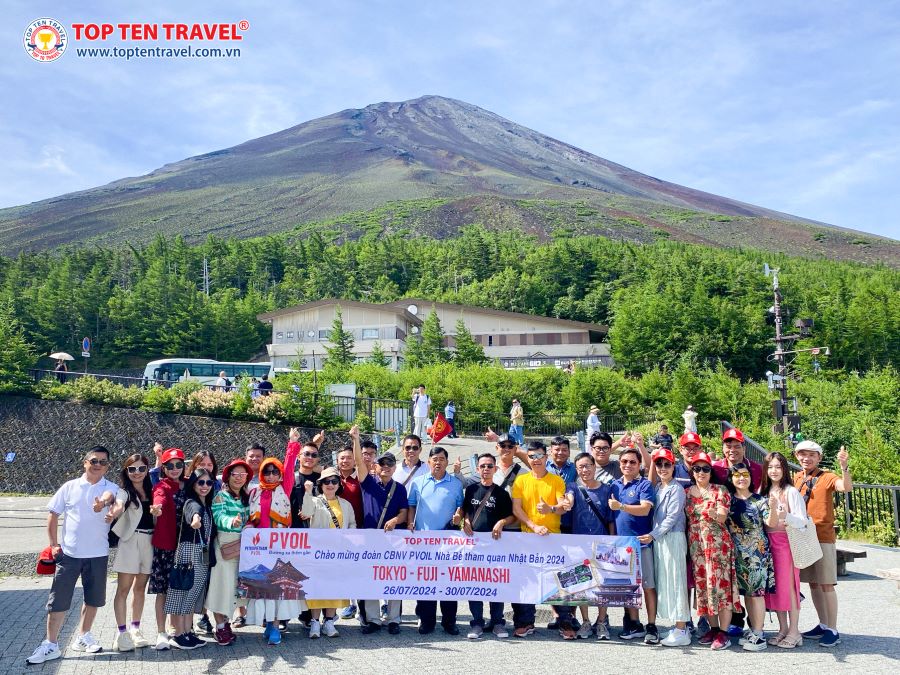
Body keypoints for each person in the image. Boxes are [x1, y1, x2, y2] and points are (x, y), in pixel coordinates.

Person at [27, 446, 117, 665]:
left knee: (93, 599)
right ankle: (51, 644)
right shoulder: (69, 487)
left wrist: (108, 506)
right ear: (84, 462)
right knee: (58, 600)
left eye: (103, 462)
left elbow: (116, 502)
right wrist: (53, 544)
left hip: (98, 554)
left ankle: (83, 636)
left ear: (108, 466)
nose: (98, 465)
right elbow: (53, 515)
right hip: (70, 554)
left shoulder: (112, 488)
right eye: (94, 461)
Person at [510, 440, 573, 639]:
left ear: (546, 457)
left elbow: (562, 505)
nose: (535, 460)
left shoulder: (556, 480)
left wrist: (551, 509)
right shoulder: (521, 480)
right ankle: (525, 622)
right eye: (531, 457)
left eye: (539, 456)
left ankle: (565, 622)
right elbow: (516, 509)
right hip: (528, 538)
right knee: (526, 582)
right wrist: (534, 525)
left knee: (558, 581)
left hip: (553, 538)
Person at [349, 426, 409, 635]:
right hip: (370, 540)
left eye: (389, 464)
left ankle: (393, 619)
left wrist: (395, 520)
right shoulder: (368, 482)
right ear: (376, 465)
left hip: (393, 540)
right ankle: (373, 619)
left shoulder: (400, 488)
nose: (385, 467)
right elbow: (358, 462)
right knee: (370, 579)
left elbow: (404, 512)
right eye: (382, 463)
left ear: (394, 468)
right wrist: (356, 440)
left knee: (394, 579)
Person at [794, 440, 852, 648]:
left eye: (811, 455)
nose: (806, 458)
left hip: (823, 536)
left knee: (827, 584)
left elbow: (845, 487)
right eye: (802, 454)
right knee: (814, 583)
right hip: (803, 536)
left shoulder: (827, 477)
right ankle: (823, 623)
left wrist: (844, 468)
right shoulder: (797, 478)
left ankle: (833, 629)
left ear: (819, 457)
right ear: (797, 457)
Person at [246, 433, 303, 645]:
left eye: (274, 472)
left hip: (279, 546)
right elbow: (250, 517)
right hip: (259, 547)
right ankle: (268, 622)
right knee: (263, 587)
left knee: (278, 586)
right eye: (266, 472)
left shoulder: (283, 489)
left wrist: (292, 444)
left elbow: (289, 467)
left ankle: (276, 624)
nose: (270, 476)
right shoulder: (254, 492)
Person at [685, 451, 742, 651]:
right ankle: (714, 627)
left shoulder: (720, 490)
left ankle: (724, 633)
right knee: (704, 588)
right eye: (697, 468)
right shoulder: (686, 492)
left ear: (711, 471)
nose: (701, 472)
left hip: (718, 548)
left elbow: (723, 516)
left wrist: (715, 514)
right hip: (697, 548)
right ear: (692, 471)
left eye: (705, 469)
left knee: (721, 588)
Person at [459, 453, 517, 640]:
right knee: (474, 584)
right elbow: (466, 510)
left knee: (495, 584)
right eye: (482, 466)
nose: (486, 469)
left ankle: (497, 622)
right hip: (473, 546)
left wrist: (501, 522)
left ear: (495, 469)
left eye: (489, 466)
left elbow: (512, 516)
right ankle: (476, 623)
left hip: (495, 546)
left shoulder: (501, 493)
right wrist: (466, 521)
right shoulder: (470, 489)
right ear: (477, 469)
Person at [407, 446, 464, 635]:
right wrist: (410, 523)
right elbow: (412, 506)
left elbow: (460, 508)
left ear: (447, 462)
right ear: (429, 462)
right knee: (425, 585)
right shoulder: (418, 482)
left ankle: (449, 622)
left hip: (448, 543)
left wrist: (459, 516)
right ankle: (427, 621)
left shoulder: (455, 484)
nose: (438, 462)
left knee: (448, 584)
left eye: (441, 459)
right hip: (424, 543)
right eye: (434, 459)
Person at [640, 448, 691, 647]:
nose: (662, 468)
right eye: (659, 464)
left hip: (673, 538)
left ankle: (681, 628)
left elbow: (671, 518)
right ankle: (678, 625)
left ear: (673, 466)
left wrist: (652, 535)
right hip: (661, 540)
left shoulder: (676, 489)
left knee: (676, 581)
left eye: (667, 464)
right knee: (667, 581)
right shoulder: (659, 487)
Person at [561, 452, 614, 639]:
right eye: (581, 467)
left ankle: (601, 622)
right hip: (578, 543)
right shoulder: (572, 487)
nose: (585, 470)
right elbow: (569, 500)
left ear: (594, 466)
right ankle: (585, 621)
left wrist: (613, 541)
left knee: (602, 585)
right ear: (577, 470)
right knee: (581, 584)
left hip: (601, 543)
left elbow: (610, 519)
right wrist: (565, 503)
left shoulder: (607, 489)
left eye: (588, 465)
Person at [300, 467, 358, 638]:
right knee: (316, 587)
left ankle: (330, 621)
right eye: (326, 482)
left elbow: (352, 524)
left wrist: (349, 538)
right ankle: (315, 623)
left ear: (339, 484)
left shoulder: (346, 504)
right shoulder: (316, 501)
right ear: (321, 484)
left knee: (333, 587)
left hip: (338, 553)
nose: (330, 485)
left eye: (334, 481)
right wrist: (308, 492)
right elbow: (306, 512)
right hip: (318, 552)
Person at [609, 447, 658, 644]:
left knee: (647, 586)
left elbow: (645, 510)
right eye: (624, 462)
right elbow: (612, 517)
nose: (628, 465)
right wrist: (613, 539)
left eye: (632, 462)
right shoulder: (614, 485)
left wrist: (621, 506)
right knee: (629, 587)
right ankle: (635, 623)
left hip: (641, 543)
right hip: (622, 545)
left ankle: (652, 625)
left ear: (639, 465)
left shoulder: (644, 485)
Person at [761, 451, 809, 649]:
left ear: (784, 469)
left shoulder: (790, 491)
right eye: (770, 467)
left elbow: (803, 522)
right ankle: (782, 628)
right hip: (768, 544)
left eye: (778, 467)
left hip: (786, 544)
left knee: (789, 587)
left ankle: (795, 631)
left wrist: (785, 516)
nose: (774, 471)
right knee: (775, 589)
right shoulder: (763, 491)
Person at [163, 469, 215, 650]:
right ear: (193, 484)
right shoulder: (192, 503)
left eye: (209, 483)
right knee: (181, 592)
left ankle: (186, 632)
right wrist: (195, 520)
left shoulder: (207, 504)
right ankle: (177, 634)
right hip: (189, 553)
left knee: (191, 594)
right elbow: (193, 513)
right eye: (201, 482)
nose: (205, 486)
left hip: (201, 554)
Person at [108, 453, 155, 652]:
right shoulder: (124, 491)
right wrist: (113, 513)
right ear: (126, 471)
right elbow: (119, 504)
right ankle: (121, 632)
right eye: (132, 469)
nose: (137, 472)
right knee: (123, 589)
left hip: (150, 540)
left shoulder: (152, 489)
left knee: (140, 588)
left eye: (141, 468)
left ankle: (135, 629)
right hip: (130, 541)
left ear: (147, 470)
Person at [726, 462, 775, 651]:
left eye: (745, 474)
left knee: (756, 593)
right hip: (736, 553)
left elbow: (770, 522)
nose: (741, 478)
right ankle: (753, 629)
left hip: (756, 552)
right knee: (747, 593)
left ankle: (760, 633)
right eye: (737, 475)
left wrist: (773, 507)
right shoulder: (728, 500)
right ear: (731, 478)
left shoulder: (760, 500)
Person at [207, 459, 251, 646]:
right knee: (221, 587)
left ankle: (227, 624)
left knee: (234, 589)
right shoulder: (220, 496)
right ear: (228, 477)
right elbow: (218, 516)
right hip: (225, 546)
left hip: (243, 547)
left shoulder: (246, 497)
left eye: (243, 475)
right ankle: (220, 627)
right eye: (236, 474)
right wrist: (231, 522)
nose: (239, 478)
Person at [148, 447, 187, 651]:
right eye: (170, 466)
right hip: (166, 546)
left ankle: (179, 629)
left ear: (183, 466)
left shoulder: (189, 485)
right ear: (164, 468)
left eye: (178, 465)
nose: (174, 469)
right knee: (163, 591)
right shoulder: (161, 486)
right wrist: (157, 508)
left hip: (186, 546)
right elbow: (159, 499)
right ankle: (161, 632)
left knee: (180, 589)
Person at [335, 443, 363, 621]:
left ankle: (362, 607)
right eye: (342, 458)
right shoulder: (331, 479)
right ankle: (348, 604)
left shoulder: (361, 478)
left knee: (358, 570)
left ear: (354, 460)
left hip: (358, 530)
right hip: (337, 532)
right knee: (342, 570)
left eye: (348, 458)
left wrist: (356, 439)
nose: (345, 461)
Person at [713, 428, 762, 492]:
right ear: (723, 449)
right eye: (728, 447)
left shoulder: (757, 469)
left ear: (744, 448)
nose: (732, 450)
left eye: (737, 447)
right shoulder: (715, 468)